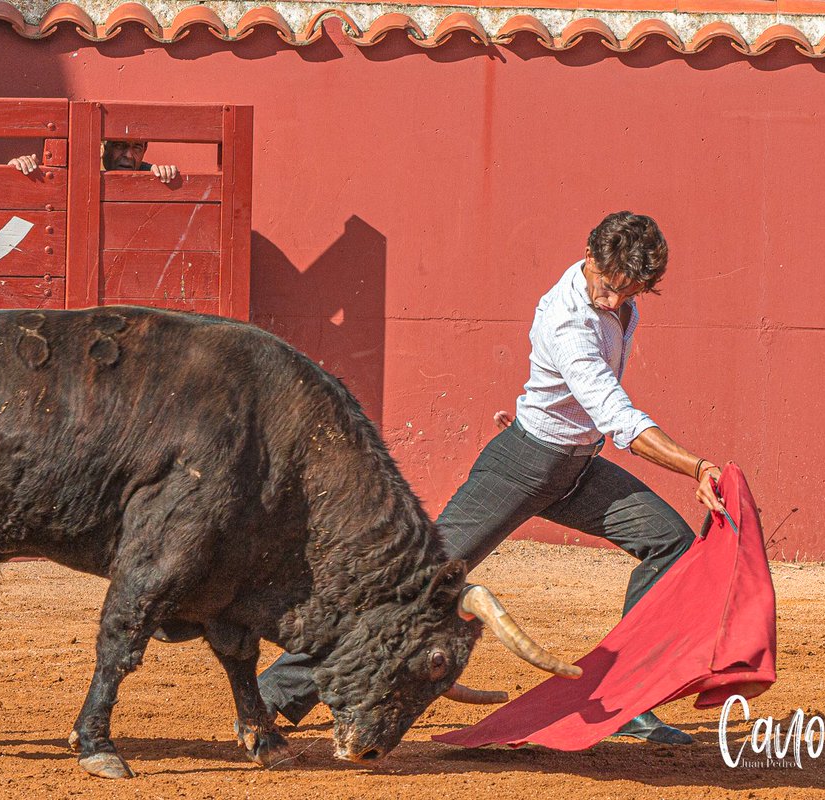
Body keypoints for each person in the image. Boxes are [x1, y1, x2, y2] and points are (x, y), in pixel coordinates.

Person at [258, 211, 726, 746]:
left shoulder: (619, 303)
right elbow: (617, 415)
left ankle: (628, 698)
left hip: (575, 467)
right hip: (522, 466)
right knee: (410, 587)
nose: (616, 301)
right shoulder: (566, 317)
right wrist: (696, 465)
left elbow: (590, 404)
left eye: (630, 292)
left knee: (671, 543)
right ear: (591, 257)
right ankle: (274, 695)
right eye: (610, 287)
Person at [9, 139, 178, 183]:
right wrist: (20, 166)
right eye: (120, 145)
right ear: (102, 147)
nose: (128, 155)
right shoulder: (76, 169)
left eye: (137, 148)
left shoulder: (148, 173)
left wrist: (163, 174)